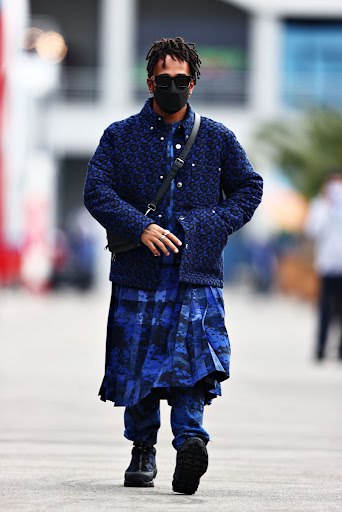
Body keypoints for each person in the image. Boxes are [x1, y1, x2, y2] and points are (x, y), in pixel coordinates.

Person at [83, 37, 263, 495]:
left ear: (194, 82)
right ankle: (143, 448)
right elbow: (97, 191)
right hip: (138, 274)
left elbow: (249, 188)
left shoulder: (218, 137)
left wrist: (210, 226)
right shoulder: (119, 135)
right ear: (149, 82)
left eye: (181, 81)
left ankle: (190, 443)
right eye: (165, 81)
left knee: (192, 363)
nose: (173, 87)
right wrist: (139, 227)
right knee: (138, 365)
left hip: (195, 274)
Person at [305, 172, 342, 361]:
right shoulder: (319, 206)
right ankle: (320, 348)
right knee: (325, 309)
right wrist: (328, 209)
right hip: (327, 265)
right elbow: (312, 231)